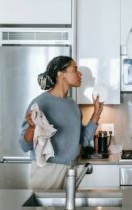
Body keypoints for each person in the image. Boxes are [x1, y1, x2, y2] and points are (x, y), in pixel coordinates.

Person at [19, 56, 103, 190]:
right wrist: (31, 127)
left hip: (70, 169)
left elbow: (83, 140)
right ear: (60, 74)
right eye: (75, 69)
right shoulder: (40, 104)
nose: (80, 74)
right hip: (46, 171)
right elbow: (24, 145)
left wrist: (96, 114)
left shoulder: (73, 105)